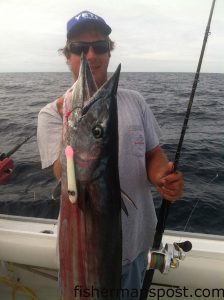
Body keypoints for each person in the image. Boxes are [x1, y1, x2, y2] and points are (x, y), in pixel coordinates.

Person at [37, 10, 184, 300]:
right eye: (79, 49)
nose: (91, 56)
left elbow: (153, 153)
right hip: (83, 252)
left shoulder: (135, 101)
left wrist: (160, 177)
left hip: (135, 242)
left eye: (100, 47)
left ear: (108, 51)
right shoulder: (51, 114)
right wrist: (73, 130)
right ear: (68, 56)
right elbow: (59, 173)